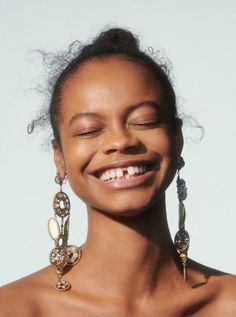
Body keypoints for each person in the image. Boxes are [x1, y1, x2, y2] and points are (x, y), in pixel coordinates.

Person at [0, 27, 236, 316]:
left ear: (177, 139)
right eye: (89, 130)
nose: (120, 141)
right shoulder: (14, 308)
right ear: (59, 157)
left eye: (144, 121)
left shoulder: (228, 303)